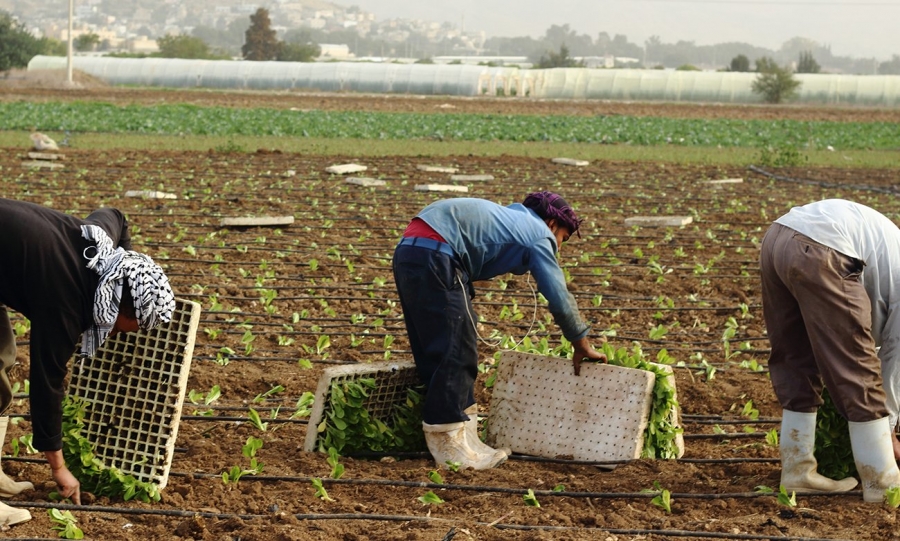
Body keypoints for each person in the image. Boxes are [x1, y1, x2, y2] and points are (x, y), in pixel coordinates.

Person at [392, 192, 607, 470]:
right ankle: (451, 449)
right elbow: (558, 296)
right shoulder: (539, 234)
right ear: (552, 223)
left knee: (434, 346)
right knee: (457, 350)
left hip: (409, 251)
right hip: (437, 253)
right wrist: (581, 343)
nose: (559, 249)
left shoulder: (512, 218)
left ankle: (464, 438)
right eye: (563, 239)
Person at [0, 198, 176, 525]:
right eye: (138, 325)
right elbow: (46, 383)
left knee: (2, 354)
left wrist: (126, 258)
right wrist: (59, 467)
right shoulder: (66, 302)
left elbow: (118, 216)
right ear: (122, 309)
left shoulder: (105, 250)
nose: (134, 333)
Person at [760, 198, 900, 503]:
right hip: (824, 248)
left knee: (796, 359)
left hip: (777, 238)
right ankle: (883, 483)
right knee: (857, 370)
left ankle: (798, 470)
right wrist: (888, 428)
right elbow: (892, 356)